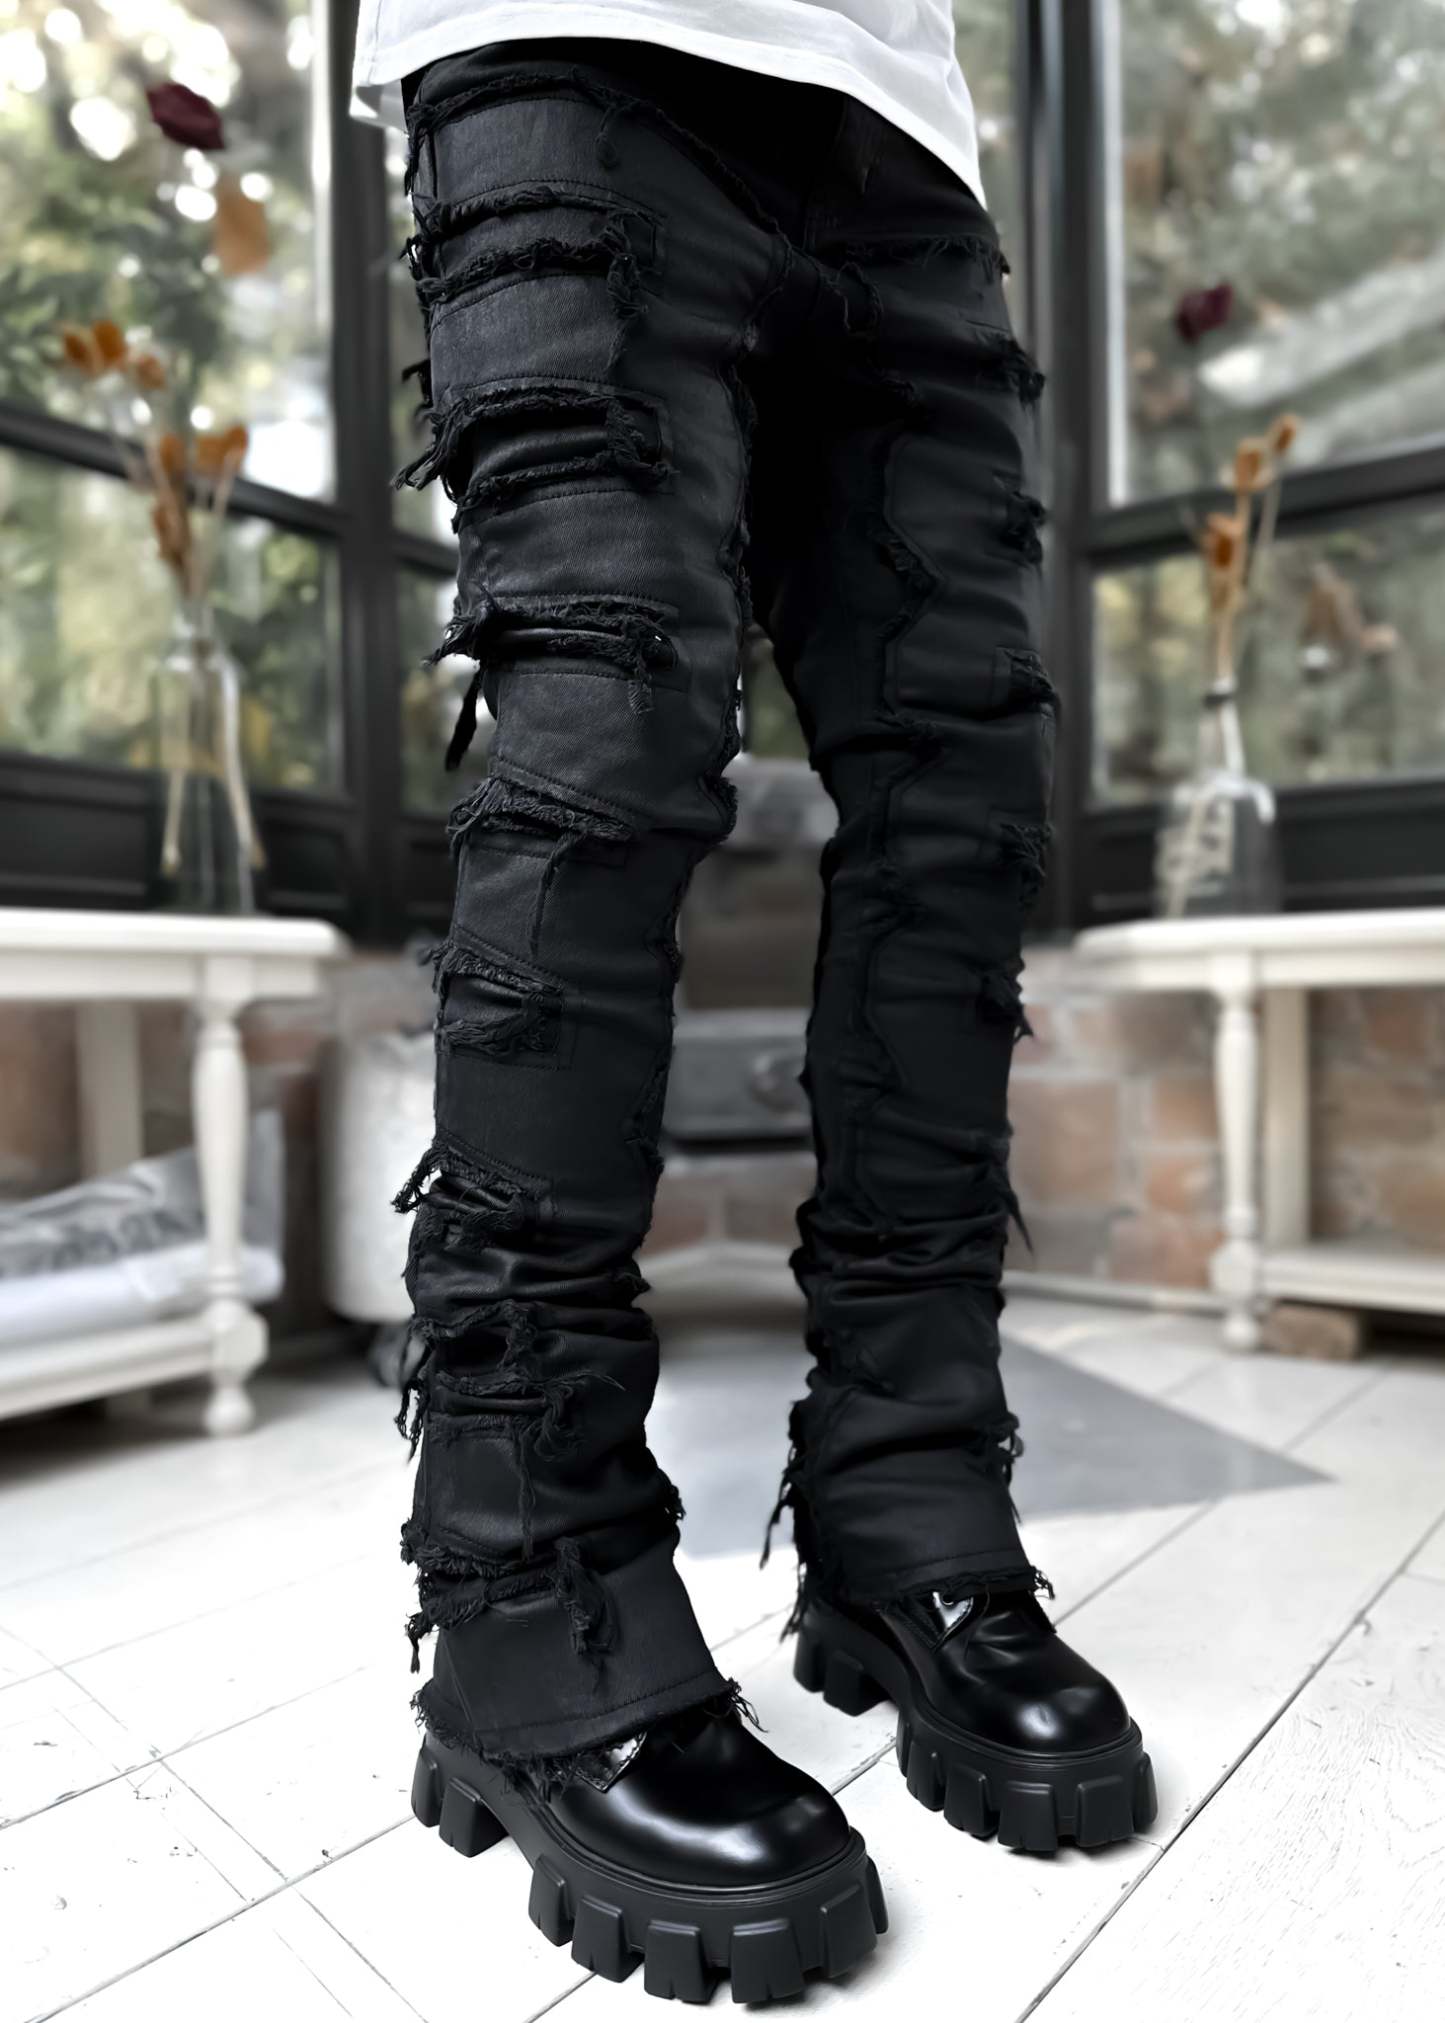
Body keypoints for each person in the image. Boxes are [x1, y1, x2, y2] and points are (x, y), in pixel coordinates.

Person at [352, 2, 1154, 2002]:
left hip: (902, 133)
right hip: (572, 51)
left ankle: (907, 1508)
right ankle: (523, 1574)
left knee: (964, 804)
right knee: (605, 744)